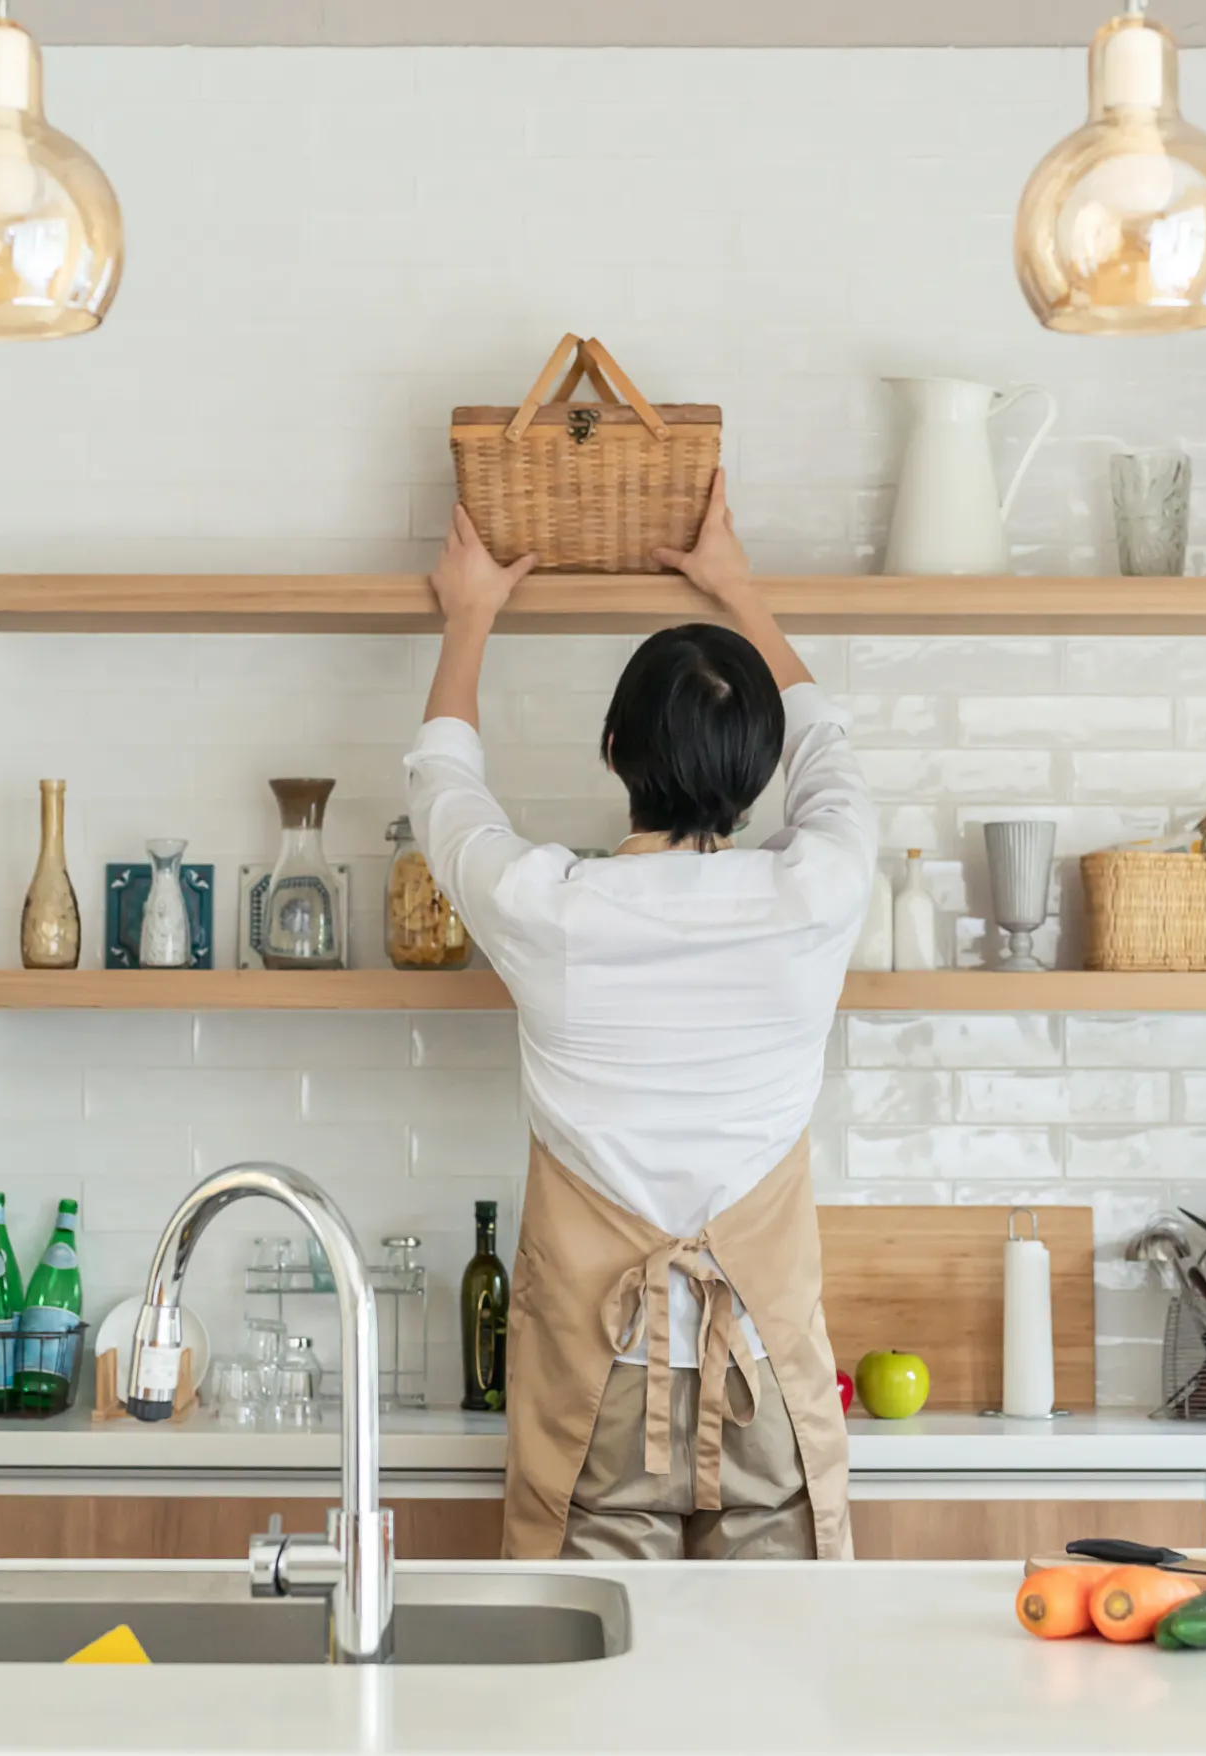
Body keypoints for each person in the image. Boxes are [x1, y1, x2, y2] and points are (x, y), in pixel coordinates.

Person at [403, 472, 875, 1560]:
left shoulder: (551, 909)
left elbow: (442, 788)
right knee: (779, 1702)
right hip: (768, 1385)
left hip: (596, 1397)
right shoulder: (818, 893)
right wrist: (740, 592)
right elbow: (833, 753)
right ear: (757, 778)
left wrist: (469, 613)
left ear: (613, 748)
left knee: (591, 1707)